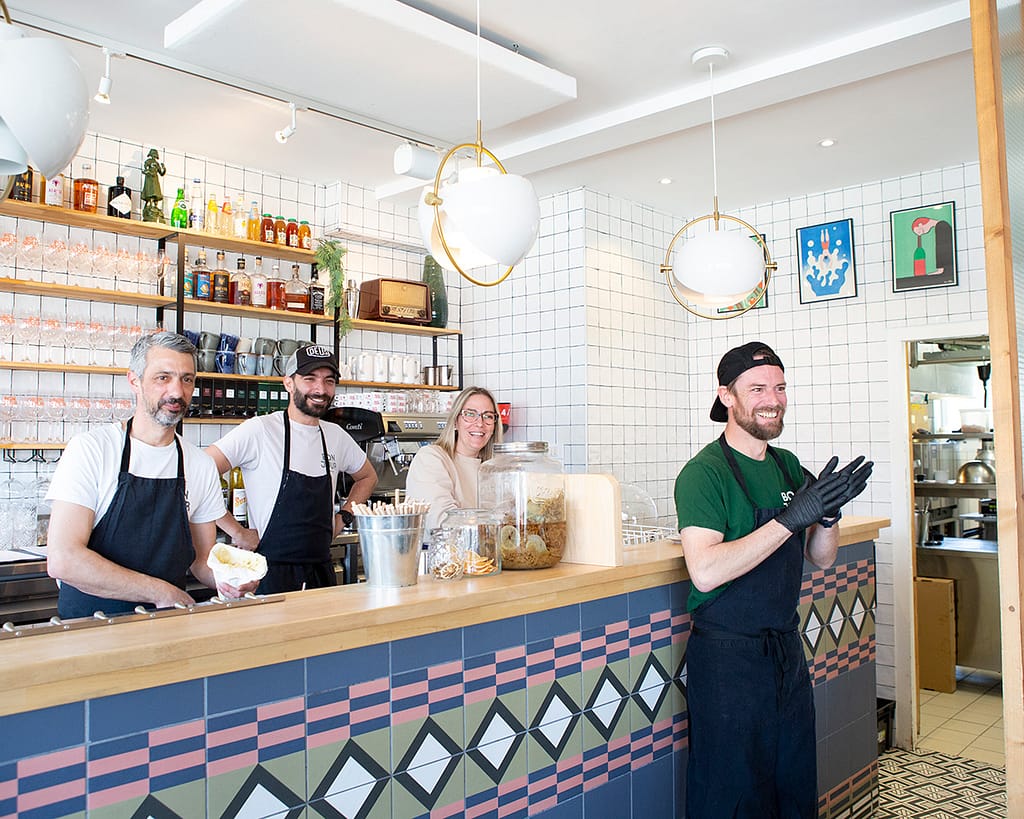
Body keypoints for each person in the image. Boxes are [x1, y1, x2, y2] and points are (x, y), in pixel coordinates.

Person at [674, 341, 872, 818]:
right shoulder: (705, 473)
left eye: (780, 387)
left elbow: (821, 560)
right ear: (727, 396)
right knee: (733, 792)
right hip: (727, 661)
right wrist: (790, 518)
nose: (773, 398)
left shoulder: (788, 466)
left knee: (792, 781)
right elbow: (704, 571)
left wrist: (826, 517)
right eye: (758, 387)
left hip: (785, 649)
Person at [46, 331, 251, 619]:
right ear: (134, 381)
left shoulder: (197, 464)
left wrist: (230, 580)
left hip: (166, 632)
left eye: (187, 379)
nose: (177, 392)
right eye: (162, 378)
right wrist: (159, 592)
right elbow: (63, 559)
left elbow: (202, 559)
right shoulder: (92, 450)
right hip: (90, 633)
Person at [207, 344, 377, 593]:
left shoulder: (335, 435)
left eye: (329, 381)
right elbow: (199, 473)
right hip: (267, 575)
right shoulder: (260, 430)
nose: (320, 389)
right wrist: (236, 531)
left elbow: (367, 477)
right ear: (288, 383)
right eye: (310, 379)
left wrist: (344, 517)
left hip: (321, 575)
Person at [406, 386, 503, 532]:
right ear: (456, 421)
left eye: (488, 416)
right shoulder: (431, 458)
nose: (479, 423)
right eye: (470, 414)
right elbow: (441, 521)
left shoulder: (496, 469)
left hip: (487, 553)